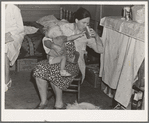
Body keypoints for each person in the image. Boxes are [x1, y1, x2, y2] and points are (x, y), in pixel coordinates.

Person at [33, 7, 103, 109]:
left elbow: (100, 50)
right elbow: (46, 40)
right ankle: (43, 101)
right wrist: (53, 46)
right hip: (58, 58)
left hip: (75, 63)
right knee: (38, 68)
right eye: (84, 23)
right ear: (76, 20)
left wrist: (96, 36)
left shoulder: (87, 35)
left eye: (88, 23)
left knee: (54, 71)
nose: (86, 26)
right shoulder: (63, 28)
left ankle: (59, 103)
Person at [5, 4, 25, 92]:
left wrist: (9, 34)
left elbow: (21, 28)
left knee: (3, 47)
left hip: (15, 34)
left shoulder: (14, 8)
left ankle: (6, 80)